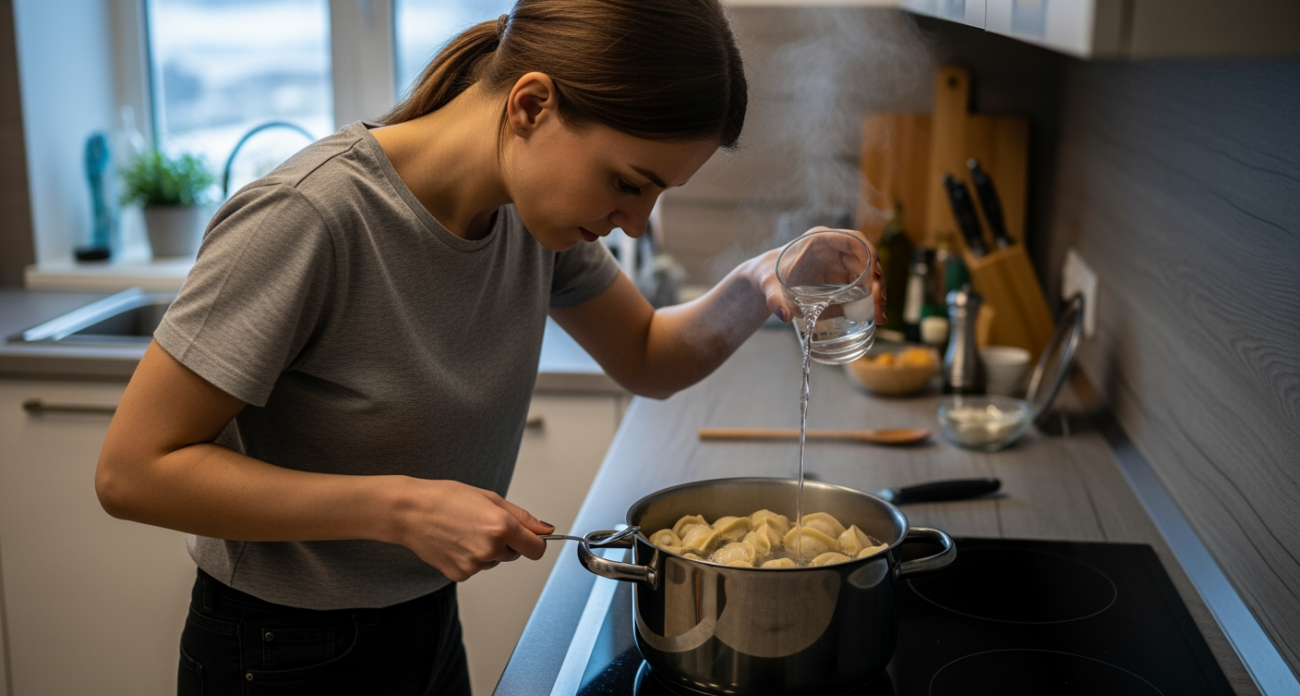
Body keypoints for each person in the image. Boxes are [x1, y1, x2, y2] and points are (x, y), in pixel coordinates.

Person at [95, 0, 884, 693]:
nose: (636, 222)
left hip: (423, 621)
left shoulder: (528, 214)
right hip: (278, 652)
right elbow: (132, 472)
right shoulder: (310, 218)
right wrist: (400, 507)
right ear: (532, 105)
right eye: (628, 183)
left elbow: (648, 354)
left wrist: (761, 282)